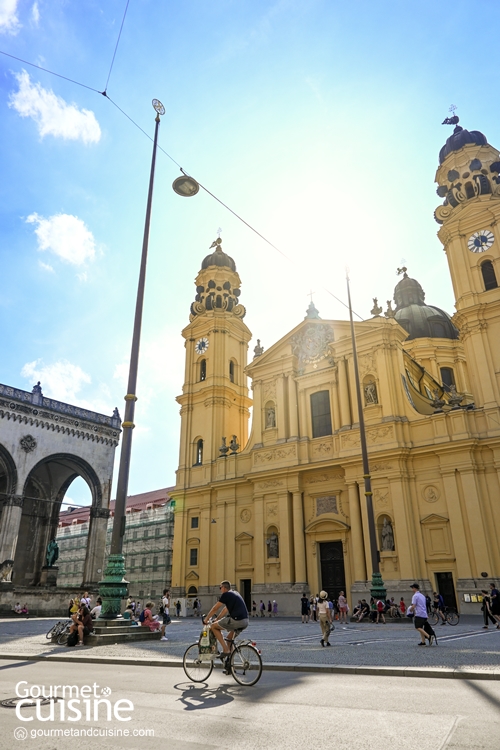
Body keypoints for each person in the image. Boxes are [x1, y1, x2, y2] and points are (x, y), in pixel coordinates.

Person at [203, 581, 249, 669]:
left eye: (220, 588)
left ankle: (225, 650)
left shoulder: (226, 595)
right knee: (229, 640)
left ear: (224, 588)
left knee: (213, 627)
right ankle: (231, 667)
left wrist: (206, 619)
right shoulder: (234, 593)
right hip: (245, 621)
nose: (220, 590)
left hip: (237, 620)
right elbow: (225, 609)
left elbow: (215, 608)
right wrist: (217, 619)